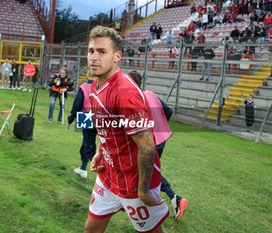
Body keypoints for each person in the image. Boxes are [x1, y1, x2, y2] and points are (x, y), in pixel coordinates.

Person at [84, 25, 169, 233]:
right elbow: (109, 129)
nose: (94, 57)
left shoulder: (124, 93)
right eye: (91, 51)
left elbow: (148, 145)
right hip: (109, 176)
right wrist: (100, 152)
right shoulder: (96, 85)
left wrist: (144, 190)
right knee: (91, 229)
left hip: (134, 182)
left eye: (102, 52)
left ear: (116, 57)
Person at [128, 70, 188, 220]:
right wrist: (159, 124)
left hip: (150, 140)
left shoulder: (134, 97)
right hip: (161, 139)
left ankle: (175, 198)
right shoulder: (150, 93)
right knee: (148, 170)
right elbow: (168, 111)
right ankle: (147, 200)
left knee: (147, 171)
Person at [67, 72, 97, 178]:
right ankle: (83, 168)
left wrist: (70, 119)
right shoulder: (102, 87)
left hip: (86, 116)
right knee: (87, 142)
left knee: (88, 144)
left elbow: (77, 104)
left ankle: (99, 170)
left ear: (88, 74)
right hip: (101, 117)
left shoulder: (84, 87)